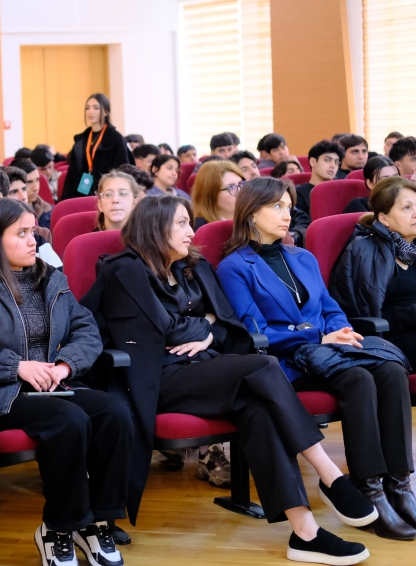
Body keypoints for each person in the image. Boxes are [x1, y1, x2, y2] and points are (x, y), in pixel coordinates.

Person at [81, 195, 375, 565]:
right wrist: (206, 324)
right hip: (158, 378)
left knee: (260, 411)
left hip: (205, 370)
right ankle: (330, 473)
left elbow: (231, 327)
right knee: (264, 366)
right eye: (182, 224)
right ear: (155, 229)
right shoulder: (124, 270)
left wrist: (207, 331)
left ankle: (305, 533)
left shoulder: (194, 266)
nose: (192, 231)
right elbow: (167, 332)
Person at [217, 177, 416, 541]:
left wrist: (342, 331)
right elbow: (256, 333)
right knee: (359, 379)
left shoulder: (303, 257)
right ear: (251, 213)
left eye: (289, 206)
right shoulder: (235, 266)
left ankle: (400, 485)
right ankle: (369, 490)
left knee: (393, 370)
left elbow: (332, 309)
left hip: (329, 351)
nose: (288, 215)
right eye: (277, 207)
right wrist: (318, 335)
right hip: (287, 361)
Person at [0, 198, 132, 566]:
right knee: (69, 420)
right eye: (22, 233)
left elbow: (85, 329)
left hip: (52, 386)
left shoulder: (50, 277)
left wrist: (64, 366)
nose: (33, 241)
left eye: (34, 232)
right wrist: (17, 366)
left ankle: (97, 521)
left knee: (115, 412)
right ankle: (58, 528)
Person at [332, 175, 416, 381]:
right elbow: (362, 317)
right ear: (384, 218)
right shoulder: (364, 252)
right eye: (407, 208)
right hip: (397, 343)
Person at [61, 93, 133, 200]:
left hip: (109, 193)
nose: (90, 111)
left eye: (96, 108)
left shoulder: (115, 138)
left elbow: (123, 170)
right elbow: (73, 172)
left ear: (106, 112)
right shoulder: (82, 139)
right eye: (87, 108)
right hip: (83, 190)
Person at [191, 160, 244, 230]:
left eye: (241, 184)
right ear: (211, 195)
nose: (240, 191)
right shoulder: (201, 228)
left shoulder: (254, 218)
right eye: (230, 187)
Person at [296, 140, 344, 217]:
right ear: (313, 162)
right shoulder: (298, 193)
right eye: (327, 160)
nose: (333, 165)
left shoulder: (343, 191)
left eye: (337, 162)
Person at [11, 158, 52, 229]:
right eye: (29, 182)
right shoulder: (5, 217)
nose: (36, 188)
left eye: (37, 180)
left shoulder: (50, 212)